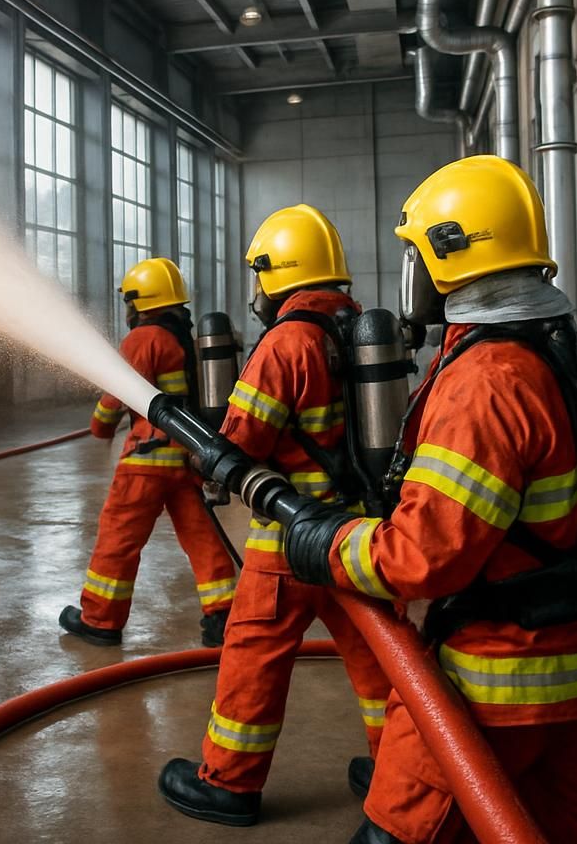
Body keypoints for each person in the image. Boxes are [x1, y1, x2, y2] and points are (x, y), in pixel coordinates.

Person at [279, 157, 577, 844]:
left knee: (398, 835)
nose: (409, 269)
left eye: (414, 249)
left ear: (449, 252)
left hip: (495, 685)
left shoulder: (488, 381)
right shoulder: (556, 348)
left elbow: (423, 558)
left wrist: (325, 544)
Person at [158, 204, 391, 827]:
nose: (256, 290)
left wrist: (215, 439)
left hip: (288, 540)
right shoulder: (360, 331)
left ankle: (228, 782)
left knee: (253, 655)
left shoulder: (287, 342)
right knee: (378, 660)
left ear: (276, 273)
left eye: (259, 274)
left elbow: (243, 442)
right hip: (356, 537)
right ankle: (396, 766)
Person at [59, 257, 237, 648]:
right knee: (201, 537)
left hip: (146, 462)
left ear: (141, 301)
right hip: (185, 457)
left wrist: (100, 426)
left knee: (118, 538)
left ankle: (100, 620)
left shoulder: (144, 339)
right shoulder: (180, 337)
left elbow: (118, 392)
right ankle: (223, 615)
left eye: (129, 302)